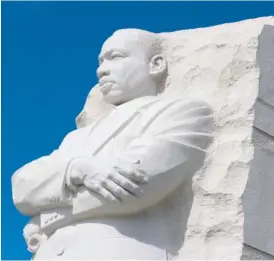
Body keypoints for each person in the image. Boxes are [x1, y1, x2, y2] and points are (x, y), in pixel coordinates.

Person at [12, 29, 213, 260]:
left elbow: (134, 186)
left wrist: (44, 218)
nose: (101, 70)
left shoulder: (182, 112)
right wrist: (75, 169)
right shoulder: (75, 138)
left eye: (115, 57)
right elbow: (21, 187)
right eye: (100, 61)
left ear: (156, 65)